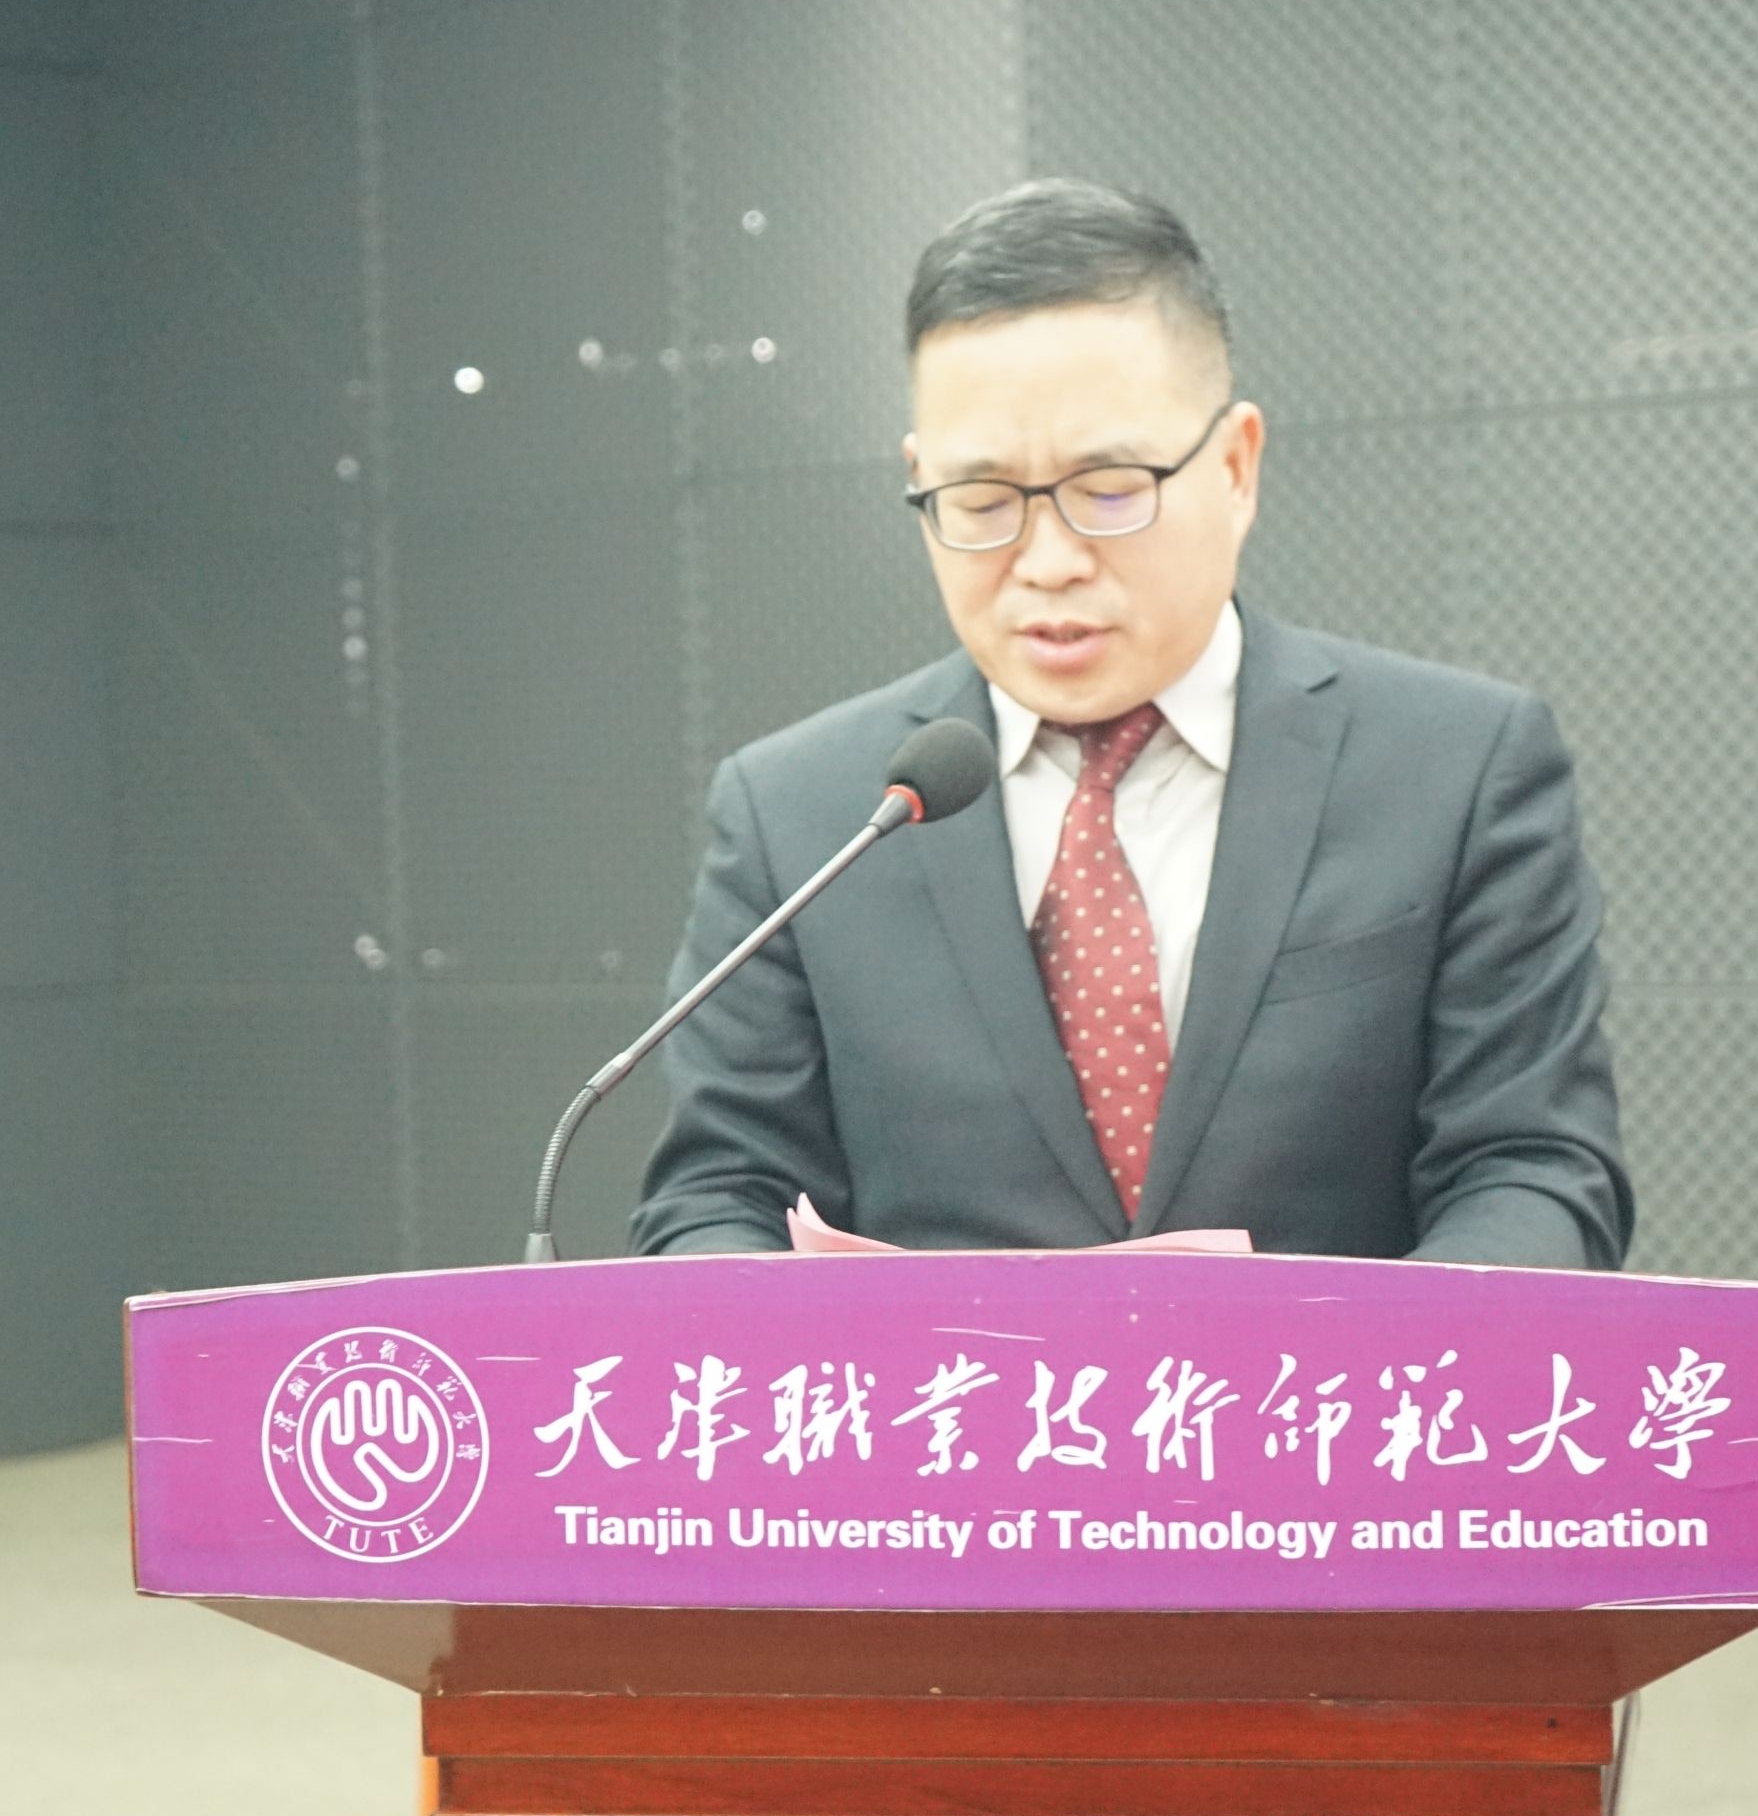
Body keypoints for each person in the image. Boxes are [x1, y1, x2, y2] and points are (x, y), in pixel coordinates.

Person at [630, 180, 1631, 1267]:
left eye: (1108, 491)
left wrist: (1372, 1365)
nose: (1047, 561)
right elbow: (718, 1191)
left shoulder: (1457, 771)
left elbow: (1532, 1169)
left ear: (1235, 466)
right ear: (920, 480)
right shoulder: (800, 815)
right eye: (981, 502)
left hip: (1335, 1383)